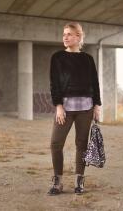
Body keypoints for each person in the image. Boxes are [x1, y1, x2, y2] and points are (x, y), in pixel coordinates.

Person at [48, 22, 101, 196]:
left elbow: (95, 83)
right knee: (56, 143)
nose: (65, 37)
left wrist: (97, 106)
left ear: (78, 37)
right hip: (65, 109)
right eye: (64, 34)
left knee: (82, 145)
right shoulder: (57, 58)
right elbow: (54, 84)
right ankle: (58, 182)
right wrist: (58, 106)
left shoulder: (88, 59)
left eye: (69, 34)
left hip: (86, 108)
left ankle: (79, 181)